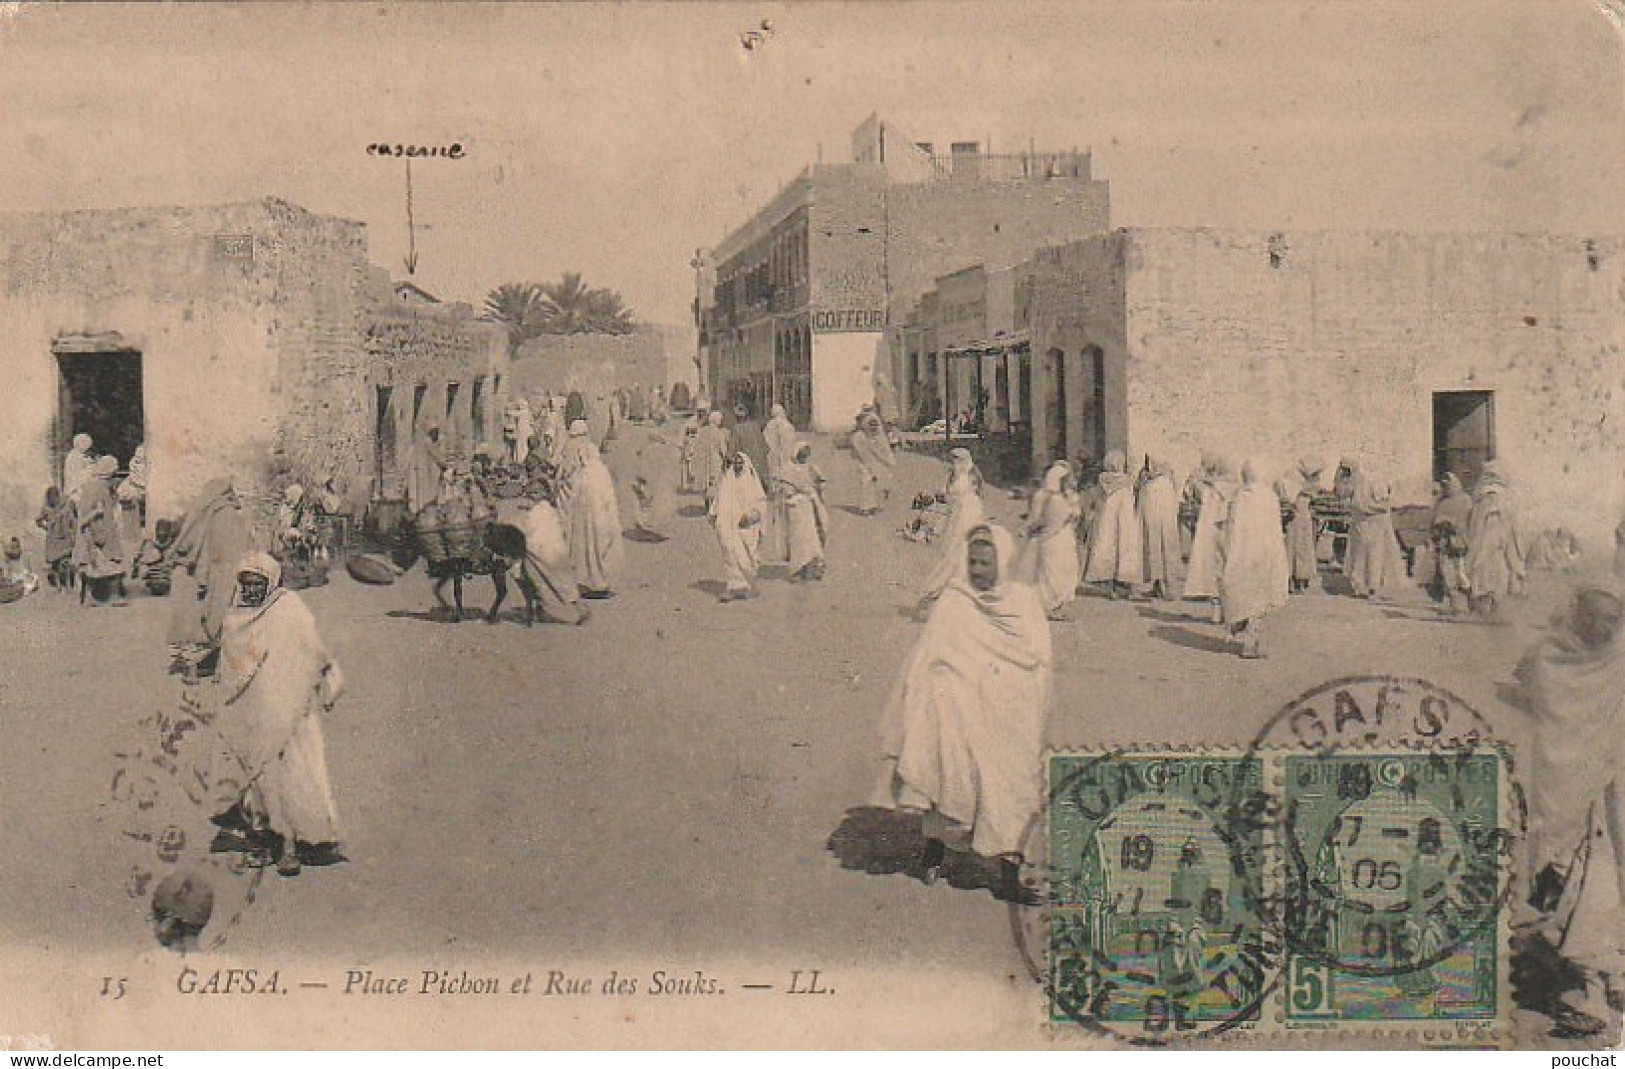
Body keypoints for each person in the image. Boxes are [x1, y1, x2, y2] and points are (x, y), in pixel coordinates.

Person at [873, 524, 1050, 903]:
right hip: (958, 707)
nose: (977, 570)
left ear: (1002, 562)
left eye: (985, 562)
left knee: (1008, 788)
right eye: (972, 561)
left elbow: (1037, 660)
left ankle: (1007, 875)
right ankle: (934, 852)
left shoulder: (1023, 603)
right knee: (950, 772)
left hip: (1006, 714)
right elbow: (928, 655)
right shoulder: (955, 600)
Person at [1514, 579, 1625, 1037]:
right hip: (1597, 801)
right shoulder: (1615, 663)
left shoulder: (1551, 658)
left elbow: (1524, 677)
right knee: (1596, 886)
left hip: (1576, 803)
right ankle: (1602, 982)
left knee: (1586, 888)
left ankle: (1592, 992)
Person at [213, 552, 345, 878]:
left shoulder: (289, 608)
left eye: (258, 584)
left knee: (291, 772)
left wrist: (325, 674)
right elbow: (230, 660)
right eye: (245, 584)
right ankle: (263, 840)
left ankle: (290, 847)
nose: (251, 590)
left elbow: (313, 645)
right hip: (253, 704)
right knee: (257, 773)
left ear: (271, 582)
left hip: (289, 702)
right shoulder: (235, 614)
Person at [168, 478, 253, 673]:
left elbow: (195, 547)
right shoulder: (228, 515)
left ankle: (193, 659)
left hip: (202, 573)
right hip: (225, 573)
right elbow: (240, 546)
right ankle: (208, 663)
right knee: (222, 616)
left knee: (202, 617)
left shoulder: (205, 515)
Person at [1220, 459, 1291, 658]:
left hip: (1242, 553)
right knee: (1260, 600)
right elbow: (1275, 530)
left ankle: (1240, 627)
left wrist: (1230, 550)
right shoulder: (1269, 498)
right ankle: (1250, 643)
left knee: (1244, 593)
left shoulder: (1239, 497)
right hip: (1264, 554)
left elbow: (1231, 528)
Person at [556, 420, 625, 598]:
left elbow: (563, 484)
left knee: (583, 545)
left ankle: (585, 580)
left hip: (582, 513)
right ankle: (599, 581)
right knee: (597, 545)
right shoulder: (598, 469)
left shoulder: (578, 467)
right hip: (598, 513)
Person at [918, 449, 989, 611]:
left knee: (963, 548)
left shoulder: (972, 475)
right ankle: (943, 589)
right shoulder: (952, 476)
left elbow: (976, 494)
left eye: (958, 459)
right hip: (957, 514)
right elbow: (945, 494)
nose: (955, 462)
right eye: (954, 459)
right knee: (952, 550)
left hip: (970, 513)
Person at [1465, 461, 1524, 622]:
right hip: (1496, 542)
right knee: (1495, 573)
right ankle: (1489, 609)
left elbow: (1473, 524)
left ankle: (1487, 609)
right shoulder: (1502, 498)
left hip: (1486, 542)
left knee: (1484, 572)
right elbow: (1512, 525)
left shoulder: (1481, 498)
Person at [1183, 454, 1238, 623]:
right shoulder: (1237, 488)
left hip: (1213, 532)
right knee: (1228, 569)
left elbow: (1190, 493)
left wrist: (1195, 478)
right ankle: (1231, 610)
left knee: (1214, 570)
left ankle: (1216, 611)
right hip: (1230, 532)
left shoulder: (1210, 489)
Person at [1083, 449, 1144, 600]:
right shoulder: (1127, 481)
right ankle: (1130, 588)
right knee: (1126, 547)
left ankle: (1111, 589)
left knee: (1107, 547)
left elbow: (1096, 498)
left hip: (1106, 518)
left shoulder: (1103, 479)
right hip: (1125, 519)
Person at [1025, 461, 1082, 620]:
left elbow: (1034, 520)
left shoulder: (1043, 496)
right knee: (1056, 572)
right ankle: (1052, 606)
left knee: (1059, 571)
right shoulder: (1060, 498)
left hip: (1059, 538)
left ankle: (1056, 605)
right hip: (1059, 538)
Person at [1342, 458, 1405, 599]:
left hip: (1375, 525)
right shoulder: (1354, 482)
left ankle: (1373, 587)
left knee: (1375, 554)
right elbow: (1347, 497)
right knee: (1358, 554)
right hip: (1360, 524)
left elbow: (1383, 506)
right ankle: (1359, 586)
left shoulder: (1372, 483)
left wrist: (1364, 508)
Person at [710, 452, 767, 602]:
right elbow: (719, 499)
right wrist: (714, 514)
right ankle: (734, 587)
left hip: (747, 526)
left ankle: (749, 586)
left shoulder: (751, 481)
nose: (737, 465)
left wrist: (750, 516)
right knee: (730, 554)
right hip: (729, 525)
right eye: (735, 463)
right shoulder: (727, 480)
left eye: (740, 462)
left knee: (748, 556)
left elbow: (760, 502)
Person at [75, 455, 127, 606]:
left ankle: (111, 595)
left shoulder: (103, 486)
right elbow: (85, 516)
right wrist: (96, 515)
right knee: (99, 565)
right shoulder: (94, 487)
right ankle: (101, 597)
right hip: (95, 533)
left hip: (106, 531)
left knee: (112, 563)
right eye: (114, 472)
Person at [780, 442, 829, 582]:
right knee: (797, 539)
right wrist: (796, 493)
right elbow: (785, 490)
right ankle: (797, 570)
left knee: (812, 538)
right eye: (801, 454)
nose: (804, 458)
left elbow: (821, 481)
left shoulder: (811, 468)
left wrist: (817, 490)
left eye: (806, 455)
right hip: (795, 508)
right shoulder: (788, 470)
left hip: (809, 506)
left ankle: (812, 569)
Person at [1428, 473, 1473, 617]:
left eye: (1448, 484)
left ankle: (1467, 604)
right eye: (1444, 485)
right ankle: (1455, 606)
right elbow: (1434, 519)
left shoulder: (1466, 501)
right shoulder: (1441, 502)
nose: (1446, 488)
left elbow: (1469, 521)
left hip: (1460, 542)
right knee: (1447, 574)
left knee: (1461, 573)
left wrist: (1455, 528)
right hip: (1443, 542)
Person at [1138, 457, 1183, 600]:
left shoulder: (1154, 484)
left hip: (1156, 505)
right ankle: (1162, 585)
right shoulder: (1165, 483)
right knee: (1165, 545)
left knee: (1156, 544)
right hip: (1161, 506)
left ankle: (1163, 585)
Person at [1280, 458, 1322, 594]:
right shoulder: (1293, 477)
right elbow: (1288, 496)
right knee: (1292, 548)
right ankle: (1290, 580)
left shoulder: (1310, 481)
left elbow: (1313, 496)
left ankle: (1302, 580)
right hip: (1295, 517)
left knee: (1304, 548)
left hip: (1305, 517)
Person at [850, 412, 895, 515]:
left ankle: (875, 506)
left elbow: (885, 452)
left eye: (875, 425)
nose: (873, 427)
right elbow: (860, 453)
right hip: (863, 464)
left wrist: (886, 461)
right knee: (866, 484)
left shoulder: (879, 437)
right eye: (871, 424)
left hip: (877, 464)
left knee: (879, 484)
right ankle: (865, 507)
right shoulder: (858, 437)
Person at [35, 486, 76, 593]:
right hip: (52, 540)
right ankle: (58, 585)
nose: (53, 500)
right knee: (55, 564)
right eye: (51, 498)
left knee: (66, 563)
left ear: (58, 496)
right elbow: (38, 521)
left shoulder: (66, 507)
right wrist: (46, 528)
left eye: (55, 497)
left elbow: (73, 521)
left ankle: (67, 584)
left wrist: (72, 533)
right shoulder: (46, 509)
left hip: (64, 539)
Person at [406, 422, 450, 517]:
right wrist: (445, 465)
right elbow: (440, 458)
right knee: (428, 493)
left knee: (422, 492)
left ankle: (419, 510)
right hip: (427, 473)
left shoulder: (416, 446)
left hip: (426, 472)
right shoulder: (427, 442)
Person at [131, 518, 179, 596]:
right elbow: (139, 559)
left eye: (164, 531)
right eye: (160, 531)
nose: (162, 533)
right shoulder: (148, 543)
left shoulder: (174, 544)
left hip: (165, 571)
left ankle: (160, 580)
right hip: (153, 568)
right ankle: (156, 579)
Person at [728, 403, 770, 490]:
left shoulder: (737, 428)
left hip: (745, 462)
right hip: (759, 462)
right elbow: (766, 447)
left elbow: (732, 448)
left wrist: (729, 459)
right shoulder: (755, 426)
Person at [696, 409, 731, 511]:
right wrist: (726, 459)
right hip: (715, 460)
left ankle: (707, 503)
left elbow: (697, 446)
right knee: (715, 482)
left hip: (703, 460)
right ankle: (713, 506)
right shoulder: (719, 433)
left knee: (705, 482)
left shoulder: (703, 431)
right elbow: (723, 449)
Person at [117, 442, 149, 549]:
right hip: (136, 485)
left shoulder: (148, 464)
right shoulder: (134, 462)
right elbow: (136, 478)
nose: (138, 456)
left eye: (141, 454)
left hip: (143, 487)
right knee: (126, 495)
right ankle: (125, 527)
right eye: (137, 453)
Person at [62, 433, 94, 503]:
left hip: (79, 485)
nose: (87, 448)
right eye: (85, 445)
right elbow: (76, 475)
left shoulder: (79, 455)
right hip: (75, 488)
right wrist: (90, 468)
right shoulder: (74, 456)